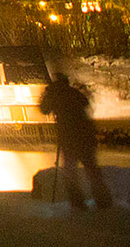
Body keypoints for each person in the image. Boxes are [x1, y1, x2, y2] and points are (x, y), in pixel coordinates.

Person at [39, 72, 114, 210]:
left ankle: (78, 202)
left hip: (69, 138)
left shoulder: (55, 96)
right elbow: (85, 103)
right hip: (85, 136)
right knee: (92, 170)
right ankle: (102, 200)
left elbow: (44, 109)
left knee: (70, 172)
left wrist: (47, 94)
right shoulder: (74, 94)